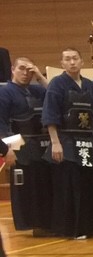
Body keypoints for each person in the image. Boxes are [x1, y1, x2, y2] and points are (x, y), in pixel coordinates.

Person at [43, 47, 93, 239]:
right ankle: (75, 229)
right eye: (67, 59)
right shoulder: (57, 85)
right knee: (72, 185)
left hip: (88, 142)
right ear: (62, 63)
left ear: (82, 62)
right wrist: (55, 143)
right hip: (66, 141)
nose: (72, 62)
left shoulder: (90, 85)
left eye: (75, 58)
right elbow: (51, 116)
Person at [1, 56, 54, 236]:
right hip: (20, 146)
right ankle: (35, 224)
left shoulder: (37, 90)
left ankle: (48, 222)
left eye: (29, 70)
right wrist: (8, 149)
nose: (25, 73)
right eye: (21, 69)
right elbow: (1, 123)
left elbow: (55, 96)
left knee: (45, 185)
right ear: (12, 70)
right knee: (28, 188)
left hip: (42, 145)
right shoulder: (5, 92)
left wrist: (39, 76)